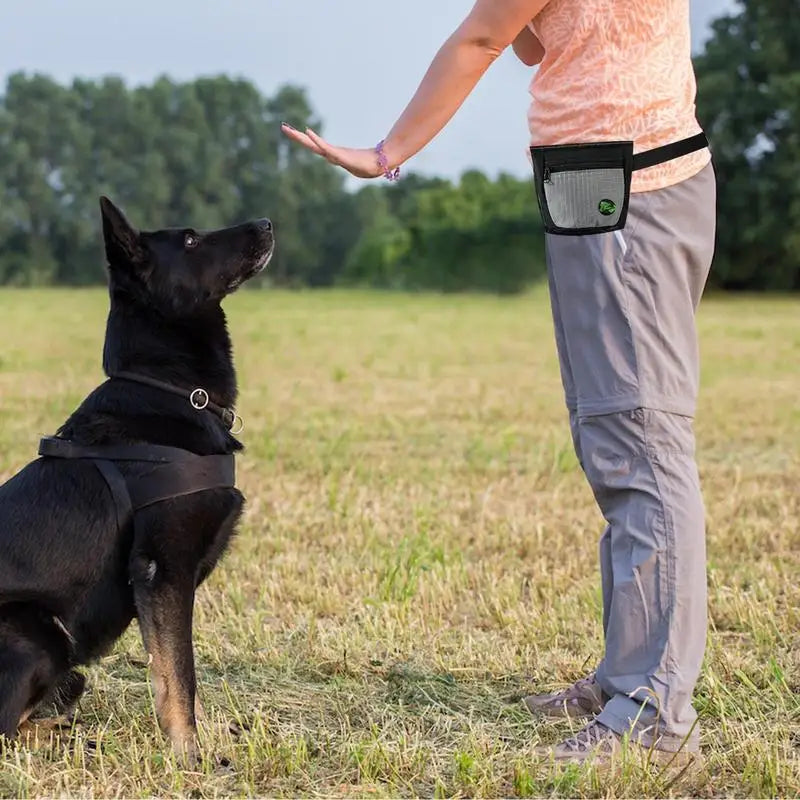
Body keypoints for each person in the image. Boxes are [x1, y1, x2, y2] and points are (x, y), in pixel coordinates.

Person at [282, 0, 715, 768]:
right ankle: (626, 678)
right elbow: (531, 43)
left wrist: (387, 153)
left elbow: (482, 38)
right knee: (614, 440)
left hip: (630, 186)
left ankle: (654, 714)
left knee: (642, 443)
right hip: (599, 179)